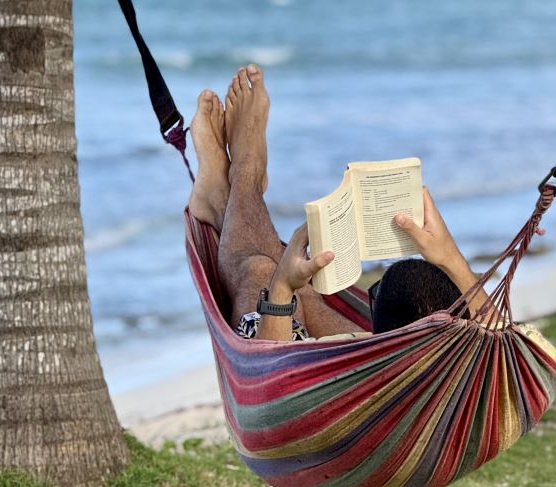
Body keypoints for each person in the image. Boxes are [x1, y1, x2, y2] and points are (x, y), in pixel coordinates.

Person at [188, 63, 491, 342]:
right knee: (305, 296)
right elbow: (506, 344)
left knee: (258, 270)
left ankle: (244, 176)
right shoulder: (488, 378)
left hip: (372, 382)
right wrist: (449, 256)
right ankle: (226, 198)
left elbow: (271, 377)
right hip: (406, 366)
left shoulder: (355, 390)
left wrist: (281, 287)